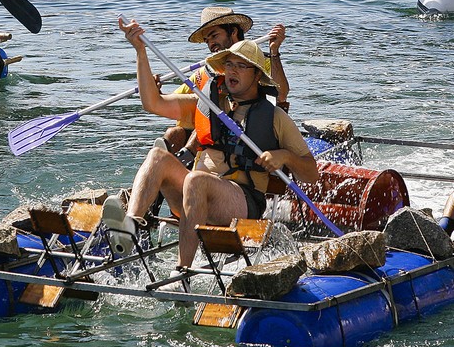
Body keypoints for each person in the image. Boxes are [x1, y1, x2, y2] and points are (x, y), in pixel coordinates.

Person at [105, 17, 319, 280]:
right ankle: (130, 228)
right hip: (194, 197)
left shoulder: (275, 117)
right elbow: (153, 103)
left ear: (256, 75)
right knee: (158, 156)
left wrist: (284, 155)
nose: (232, 71)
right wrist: (140, 50)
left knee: (196, 180)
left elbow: (311, 173)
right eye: (229, 65)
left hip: (241, 202)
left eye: (242, 66)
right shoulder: (206, 101)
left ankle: (181, 272)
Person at [158, 7, 289, 163]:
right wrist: (156, 92)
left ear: (233, 32)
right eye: (207, 41)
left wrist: (274, 51)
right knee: (174, 133)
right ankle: (162, 169)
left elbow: (281, 94)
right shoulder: (205, 72)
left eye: (214, 36)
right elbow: (172, 103)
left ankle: (183, 162)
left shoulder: (258, 64)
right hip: (209, 135)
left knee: (214, 109)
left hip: (243, 134)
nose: (211, 44)